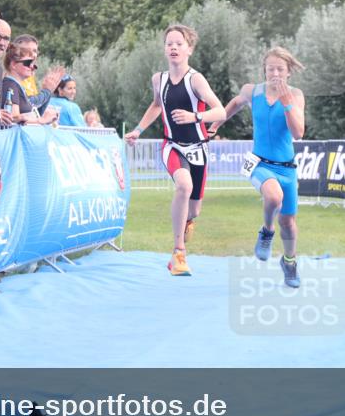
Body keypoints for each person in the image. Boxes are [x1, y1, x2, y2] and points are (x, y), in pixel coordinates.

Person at [123, 24, 225, 277]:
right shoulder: (159, 79)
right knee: (183, 186)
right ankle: (178, 253)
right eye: (169, 43)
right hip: (172, 145)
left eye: (179, 43)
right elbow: (156, 106)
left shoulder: (196, 79)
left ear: (189, 49)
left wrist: (194, 116)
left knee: (194, 210)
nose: (174, 47)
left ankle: (187, 222)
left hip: (198, 148)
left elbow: (220, 111)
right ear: (164, 48)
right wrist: (138, 129)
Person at [211, 47, 306, 288]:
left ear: (288, 73)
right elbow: (233, 104)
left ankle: (289, 262)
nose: (275, 73)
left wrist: (286, 104)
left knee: (289, 223)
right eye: (271, 68)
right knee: (273, 197)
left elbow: (299, 133)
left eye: (280, 69)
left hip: (287, 168)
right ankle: (266, 231)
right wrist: (216, 124)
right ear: (264, 69)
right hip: (259, 164)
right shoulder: (251, 91)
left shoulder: (295, 96)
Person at [0, 41, 60, 126]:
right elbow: (13, 119)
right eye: (28, 63)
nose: (32, 67)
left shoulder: (16, 85)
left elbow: (30, 114)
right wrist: (42, 120)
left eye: (33, 65)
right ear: (13, 64)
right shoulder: (10, 84)